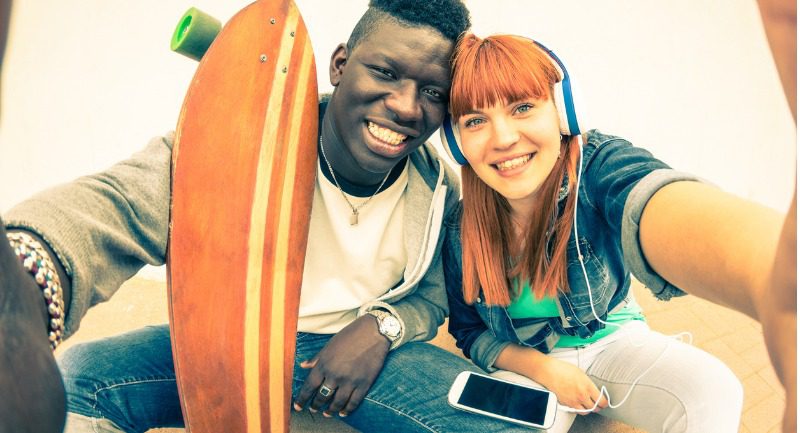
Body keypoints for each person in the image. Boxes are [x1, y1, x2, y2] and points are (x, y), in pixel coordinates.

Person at [0, 1, 555, 432]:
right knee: (82, 380)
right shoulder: (240, 138)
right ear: (340, 64)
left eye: (432, 91)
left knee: (518, 419)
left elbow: (433, 294)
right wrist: (21, 287)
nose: (407, 106)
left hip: (364, 359)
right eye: (385, 73)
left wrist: (382, 328)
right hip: (228, 345)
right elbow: (112, 208)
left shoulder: (437, 190)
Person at [440, 32, 792, 433]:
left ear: (562, 112)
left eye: (522, 107)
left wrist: (771, 273)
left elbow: (650, 196)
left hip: (613, 341)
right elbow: (470, 332)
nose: (502, 138)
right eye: (475, 121)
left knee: (713, 390)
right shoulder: (459, 228)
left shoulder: (597, 169)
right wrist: (546, 371)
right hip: (527, 365)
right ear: (456, 141)